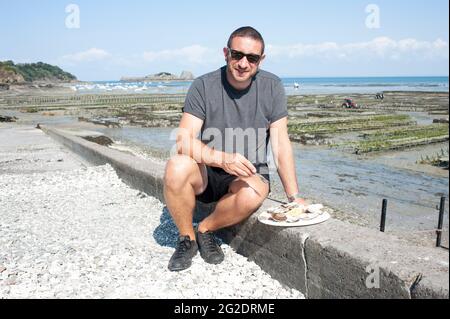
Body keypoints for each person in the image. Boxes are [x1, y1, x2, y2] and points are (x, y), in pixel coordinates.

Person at [163, 26, 306, 271]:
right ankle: (186, 239)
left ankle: (205, 229)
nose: (243, 63)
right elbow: (183, 139)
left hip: (247, 171)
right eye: (237, 55)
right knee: (176, 165)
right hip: (207, 170)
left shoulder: (272, 87)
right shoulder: (203, 85)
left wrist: (294, 198)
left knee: (254, 191)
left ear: (261, 59)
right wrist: (220, 158)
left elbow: (281, 144)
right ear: (225, 53)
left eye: (252, 58)